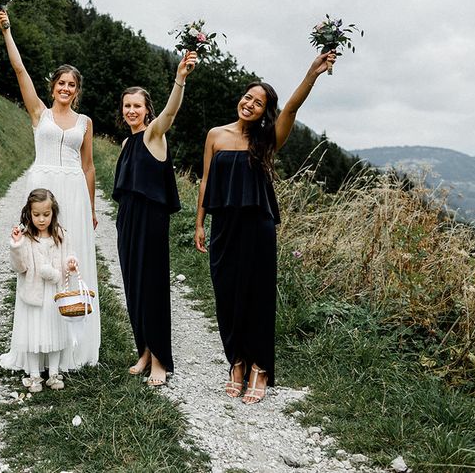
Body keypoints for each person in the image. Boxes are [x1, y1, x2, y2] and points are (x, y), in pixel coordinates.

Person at [193, 51, 336, 405]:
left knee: (256, 297)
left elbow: (290, 109)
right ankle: (236, 363)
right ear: (240, 99)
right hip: (224, 226)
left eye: (259, 103)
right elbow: (206, 180)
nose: (250, 104)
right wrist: (199, 223)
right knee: (227, 297)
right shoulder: (216, 135)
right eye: (247, 97)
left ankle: (259, 367)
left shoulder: (266, 139)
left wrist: (311, 74)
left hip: (258, 226)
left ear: (264, 111)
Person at [0, 9, 100, 367]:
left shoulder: (85, 123)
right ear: (52, 87)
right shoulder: (39, 113)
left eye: (72, 85)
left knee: (70, 261)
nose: (66, 89)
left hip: (72, 189)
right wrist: (7, 29)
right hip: (42, 186)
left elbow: (88, 166)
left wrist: (91, 207)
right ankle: (35, 344)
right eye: (61, 83)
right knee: (37, 260)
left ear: (77, 90)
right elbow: (20, 70)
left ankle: (72, 346)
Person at [112, 51, 197, 387]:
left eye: (138, 106)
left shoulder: (153, 135)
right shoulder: (124, 143)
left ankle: (161, 359)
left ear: (147, 110)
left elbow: (171, 112)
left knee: (153, 288)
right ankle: (144, 350)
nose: (132, 111)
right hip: (127, 220)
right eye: (127, 106)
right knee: (133, 288)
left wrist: (180, 79)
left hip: (152, 219)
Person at [1, 188, 78, 391]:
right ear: (29, 213)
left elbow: (68, 258)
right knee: (33, 333)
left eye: (46, 214)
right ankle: (34, 374)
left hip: (55, 294)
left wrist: (71, 264)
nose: (41, 219)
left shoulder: (61, 235)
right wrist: (16, 246)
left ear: (53, 213)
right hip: (34, 294)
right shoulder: (26, 237)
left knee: (55, 332)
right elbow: (20, 267)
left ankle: (53, 372)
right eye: (36, 215)